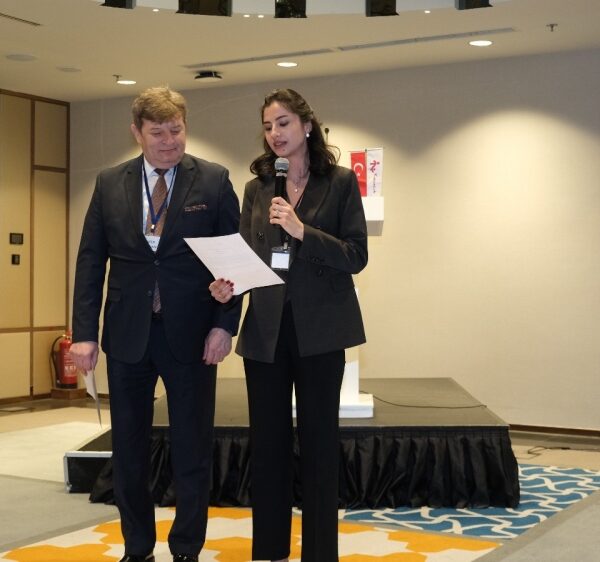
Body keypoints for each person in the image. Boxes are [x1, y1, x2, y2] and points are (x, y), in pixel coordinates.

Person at [70, 86, 241, 562]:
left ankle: (186, 548)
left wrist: (224, 326)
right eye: (158, 132)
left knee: (192, 448)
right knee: (128, 450)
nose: (169, 141)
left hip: (192, 334)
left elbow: (234, 261)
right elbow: (90, 261)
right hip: (127, 335)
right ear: (137, 133)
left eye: (176, 130)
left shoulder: (213, 180)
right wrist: (83, 334)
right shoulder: (109, 183)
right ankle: (137, 547)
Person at [210, 88, 368, 562]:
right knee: (268, 448)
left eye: (283, 123)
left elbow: (356, 256)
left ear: (306, 125)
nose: (274, 133)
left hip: (321, 333)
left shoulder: (339, 182)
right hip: (266, 333)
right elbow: (245, 255)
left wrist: (303, 231)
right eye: (267, 126)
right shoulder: (257, 188)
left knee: (319, 446)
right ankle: (270, 550)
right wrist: (228, 285)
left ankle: (319, 553)